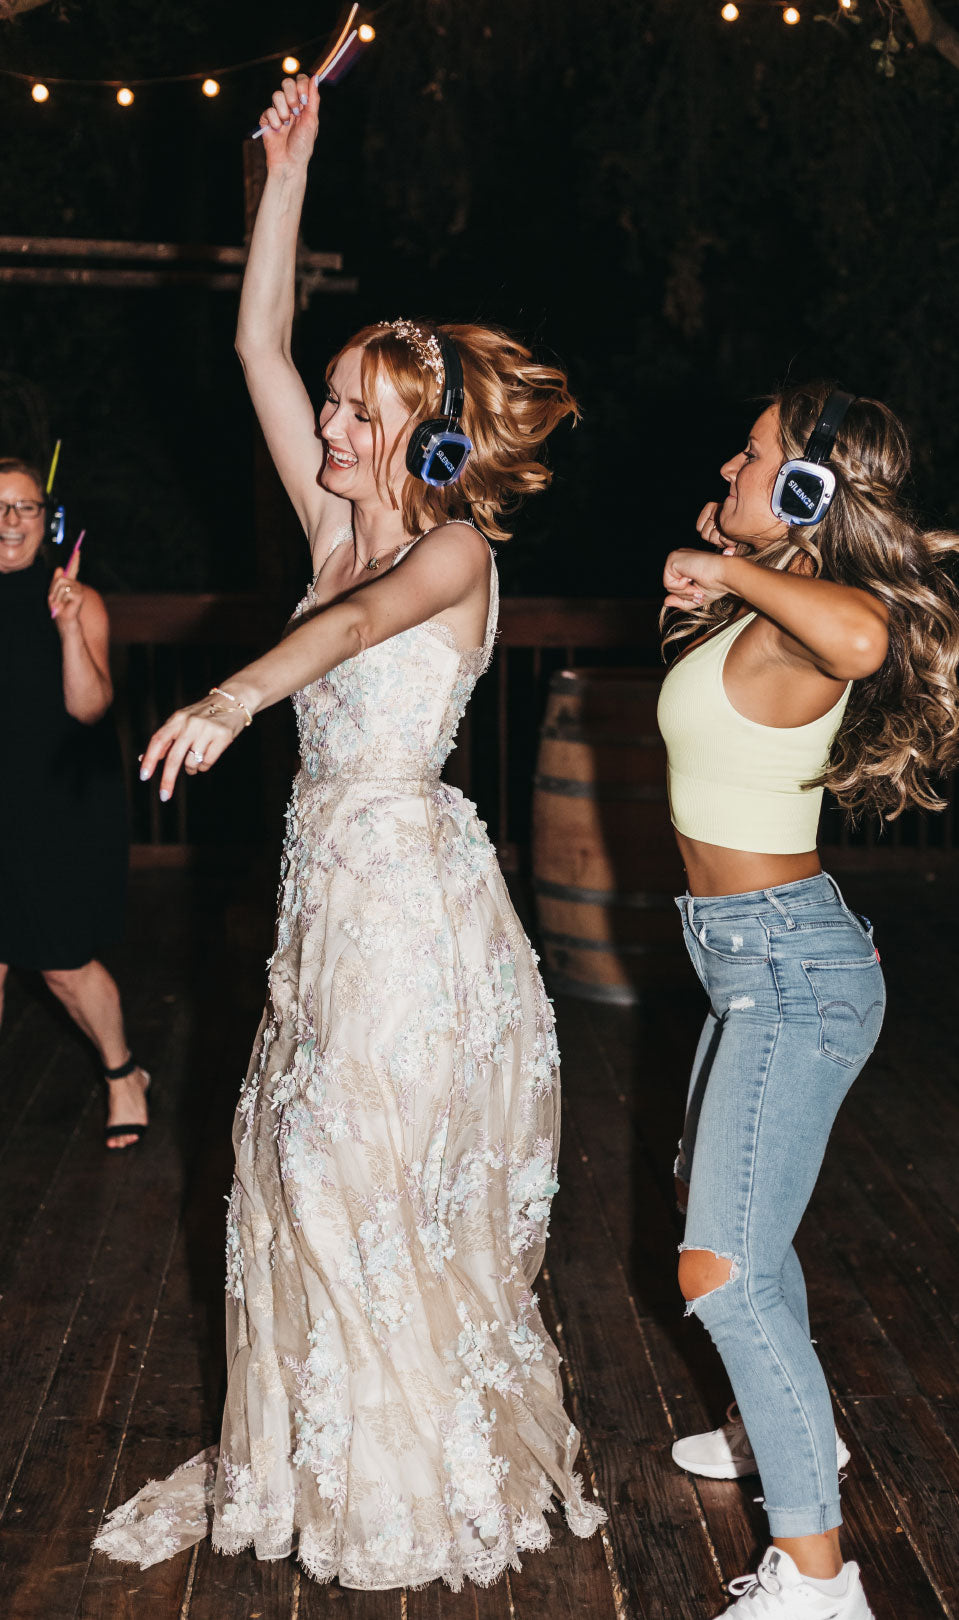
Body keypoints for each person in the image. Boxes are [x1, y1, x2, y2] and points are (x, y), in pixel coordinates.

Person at [94, 73, 603, 1591]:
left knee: (339, 1170)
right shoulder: (332, 524)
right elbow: (252, 340)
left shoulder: (449, 553)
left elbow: (358, 631)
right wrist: (288, 174)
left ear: (423, 441)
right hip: (323, 908)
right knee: (290, 1163)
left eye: (353, 414)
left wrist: (237, 696)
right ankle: (330, 1444)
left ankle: (406, 1469)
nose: (322, 423)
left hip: (408, 907)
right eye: (329, 405)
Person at [657, 384, 959, 1619]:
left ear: (811, 491)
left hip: (791, 974)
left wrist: (729, 571)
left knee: (720, 1272)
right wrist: (724, 583)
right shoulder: (770, 612)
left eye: (757, 454)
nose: (730, 458)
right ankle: (779, 1436)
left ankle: (819, 1584)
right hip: (741, 961)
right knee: (730, 1227)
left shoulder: (822, 620)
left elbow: (868, 638)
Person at [0, 457, 148, 1149]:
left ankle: (123, 1075)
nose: (9, 520)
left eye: (25, 507)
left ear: (47, 520)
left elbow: (89, 708)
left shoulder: (75, 598)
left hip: (58, 797)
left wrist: (65, 628)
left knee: (61, 962)